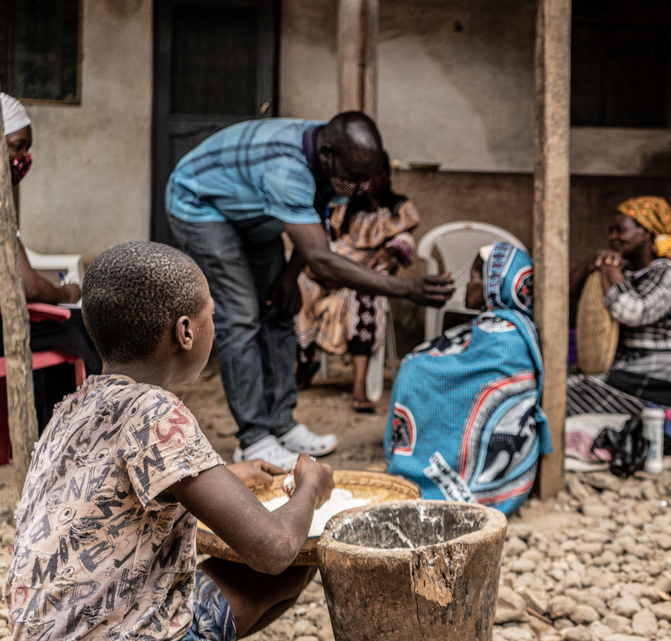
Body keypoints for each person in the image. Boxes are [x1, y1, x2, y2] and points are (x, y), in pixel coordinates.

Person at [6, 241, 392, 641]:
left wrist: (226, 472)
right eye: (212, 313)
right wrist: (312, 486)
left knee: (297, 569)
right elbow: (274, 548)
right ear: (185, 331)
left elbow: (122, 487)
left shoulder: (78, 404)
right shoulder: (156, 412)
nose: (217, 324)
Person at [166, 112, 453, 469]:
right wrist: (406, 288)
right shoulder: (288, 168)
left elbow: (312, 225)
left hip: (254, 214)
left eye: (368, 177)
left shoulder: (338, 161)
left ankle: (281, 425)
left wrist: (289, 277)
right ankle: (254, 438)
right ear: (328, 154)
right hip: (203, 206)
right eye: (355, 179)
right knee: (242, 318)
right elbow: (321, 257)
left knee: (282, 308)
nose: (362, 188)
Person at [384, 242, 552, 515]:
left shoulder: (502, 333)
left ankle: (429, 472)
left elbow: (464, 375)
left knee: (414, 370)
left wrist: (418, 366)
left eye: (476, 276)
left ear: (495, 282)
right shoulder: (502, 325)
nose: (469, 283)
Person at [0, 93, 101, 388]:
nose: (22, 160)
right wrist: (67, 293)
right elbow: (25, 286)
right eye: (17, 147)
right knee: (87, 327)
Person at [294, 156, 418, 413]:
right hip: (340, 266)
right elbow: (330, 238)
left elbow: (406, 239)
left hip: (371, 272)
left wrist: (391, 251)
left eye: (376, 175)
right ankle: (303, 366)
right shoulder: (347, 207)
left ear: (387, 176)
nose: (370, 182)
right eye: (366, 177)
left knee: (363, 292)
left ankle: (359, 387)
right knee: (303, 283)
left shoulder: (399, 207)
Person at [566, 197, 671, 415]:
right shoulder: (626, 270)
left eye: (620, 230)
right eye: (610, 231)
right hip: (631, 369)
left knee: (565, 398)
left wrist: (610, 271)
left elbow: (633, 313)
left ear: (646, 232)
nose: (612, 237)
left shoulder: (670, 274)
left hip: (668, 376)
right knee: (558, 386)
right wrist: (593, 261)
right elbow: (567, 290)